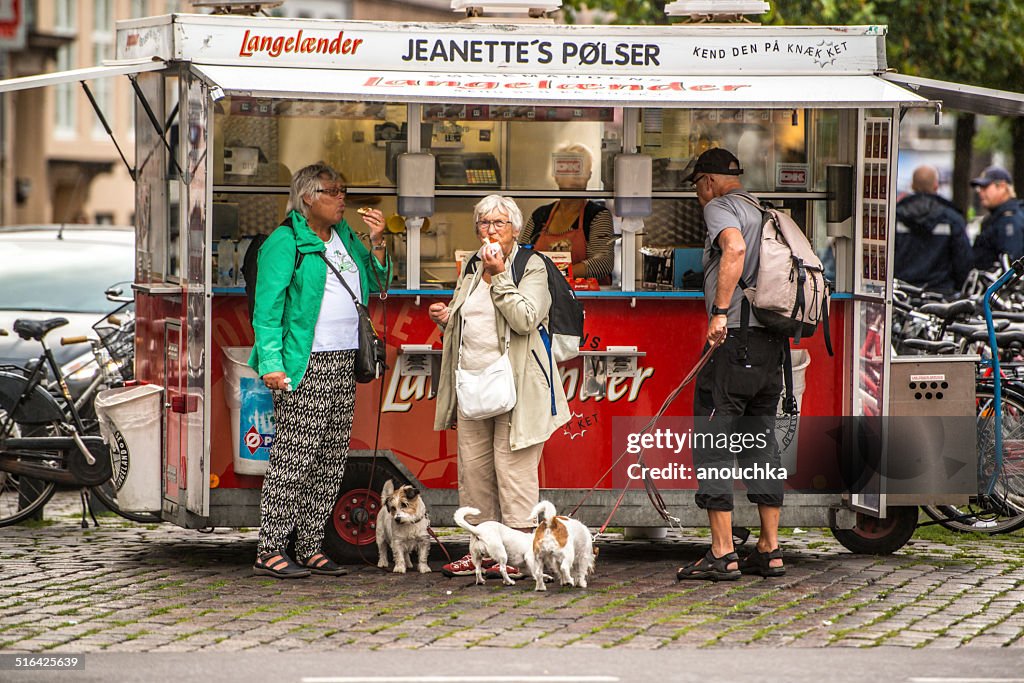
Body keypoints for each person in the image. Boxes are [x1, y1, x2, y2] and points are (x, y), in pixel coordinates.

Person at [248, 162, 390, 579]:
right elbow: (267, 310)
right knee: (294, 457)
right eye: (333, 190)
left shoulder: (344, 235)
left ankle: (309, 544)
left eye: (343, 189)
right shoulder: (285, 241)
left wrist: (378, 243)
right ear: (308, 196)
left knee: (329, 459)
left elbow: (376, 279)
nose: (341, 197)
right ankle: (270, 547)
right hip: (304, 363)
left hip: (343, 359)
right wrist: (271, 364)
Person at [430, 195, 570, 580]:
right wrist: (447, 319)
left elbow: (525, 319)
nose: (490, 231)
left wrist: (501, 275)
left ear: (514, 229)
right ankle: (482, 552)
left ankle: (522, 556)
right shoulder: (473, 265)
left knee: (513, 473)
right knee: (474, 472)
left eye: (499, 224)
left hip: (518, 388)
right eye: (483, 224)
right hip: (474, 385)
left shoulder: (532, 265)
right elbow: (474, 324)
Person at [675, 148, 786, 582]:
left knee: (713, 441)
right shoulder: (761, 207)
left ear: (707, 181)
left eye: (698, 187)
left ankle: (722, 552)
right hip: (769, 344)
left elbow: (733, 249)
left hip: (735, 341)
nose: (699, 196)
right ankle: (769, 548)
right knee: (761, 441)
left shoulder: (721, 207)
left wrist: (720, 311)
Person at [517, 143, 615, 284]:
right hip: (542, 295)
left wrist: (560, 273)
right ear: (556, 175)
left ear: (589, 175)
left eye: (579, 169)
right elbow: (520, 256)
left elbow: (603, 263)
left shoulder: (597, 216)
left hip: (588, 299)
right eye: (567, 169)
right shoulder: (539, 216)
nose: (574, 176)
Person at [894, 165, 972, 295]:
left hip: (902, 294)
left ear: (912, 185)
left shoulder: (895, 217)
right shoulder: (952, 218)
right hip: (940, 294)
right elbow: (963, 260)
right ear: (936, 185)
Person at [971, 166, 1024, 270]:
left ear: (1002, 187)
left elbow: (1012, 266)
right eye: (979, 188)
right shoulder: (996, 217)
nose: (980, 192)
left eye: (985, 187)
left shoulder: (1008, 220)